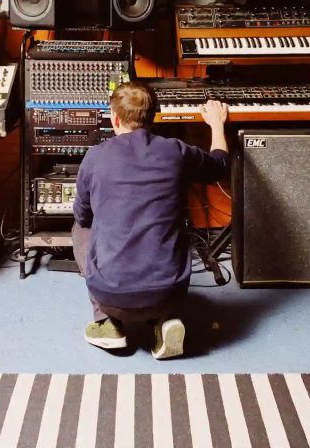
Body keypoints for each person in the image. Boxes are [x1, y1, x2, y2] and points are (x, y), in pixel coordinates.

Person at [72, 81, 230, 359]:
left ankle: (107, 322)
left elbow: (83, 215)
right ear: (153, 117)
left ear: (115, 118)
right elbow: (219, 165)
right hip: (167, 293)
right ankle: (166, 320)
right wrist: (216, 124)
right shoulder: (175, 151)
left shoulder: (94, 157)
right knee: (175, 227)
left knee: (81, 227)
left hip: (111, 295)